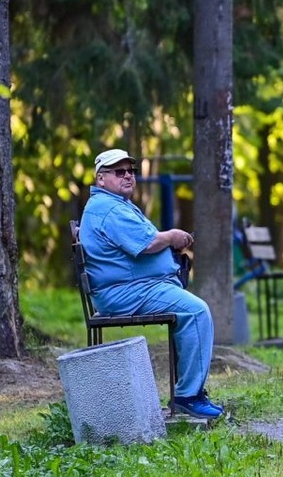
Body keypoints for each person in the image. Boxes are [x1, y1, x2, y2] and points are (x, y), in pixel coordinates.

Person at [80, 148, 223, 418]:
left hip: (132, 288)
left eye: (131, 171)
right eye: (118, 172)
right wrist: (171, 236)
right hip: (125, 293)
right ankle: (188, 397)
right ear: (100, 179)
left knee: (191, 309)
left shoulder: (112, 204)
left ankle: (190, 391)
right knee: (196, 311)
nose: (128, 176)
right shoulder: (109, 209)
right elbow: (148, 243)